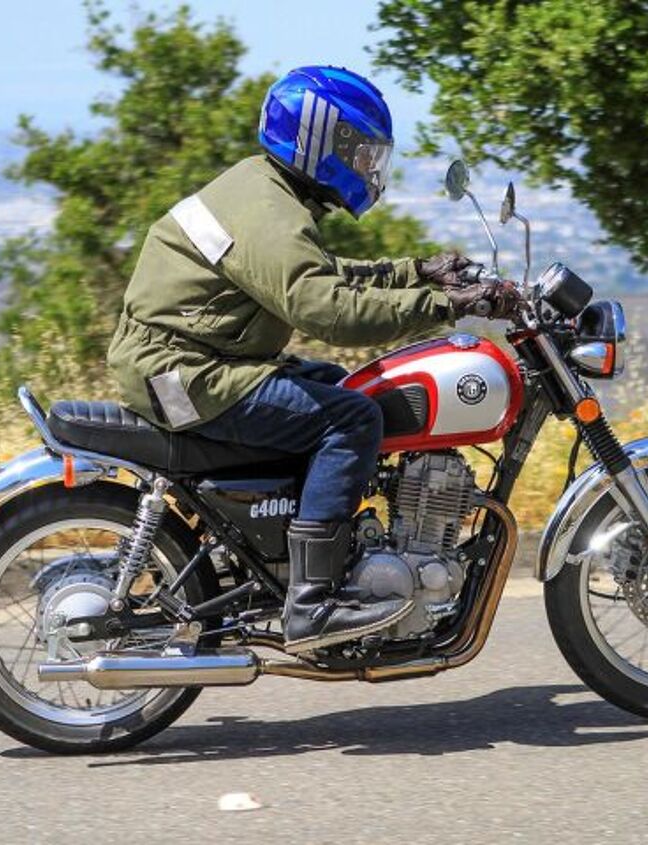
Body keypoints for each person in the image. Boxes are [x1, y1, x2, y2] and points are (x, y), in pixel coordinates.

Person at [108, 65, 516, 653]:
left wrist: (418, 272)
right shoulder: (270, 212)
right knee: (352, 419)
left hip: (186, 360)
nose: (368, 168)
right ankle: (311, 606)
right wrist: (445, 305)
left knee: (340, 385)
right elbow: (329, 310)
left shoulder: (263, 190)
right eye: (362, 153)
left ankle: (295, 553)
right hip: (181, 376)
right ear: (323, 141)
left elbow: (319, 274)